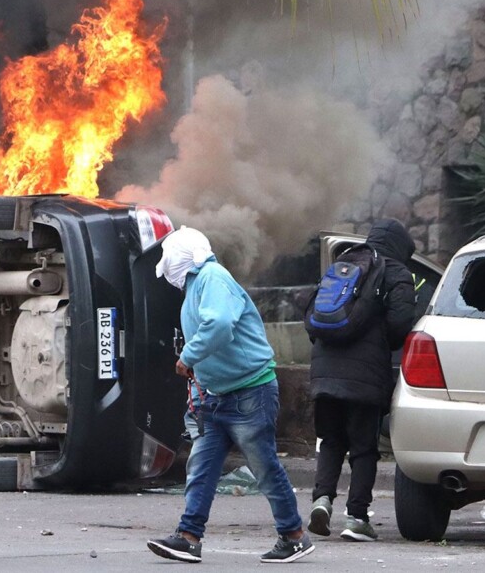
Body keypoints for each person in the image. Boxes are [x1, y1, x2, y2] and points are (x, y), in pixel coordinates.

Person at [146, 226, 315, 564]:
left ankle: (294, 535)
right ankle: (188, 537)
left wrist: (188, 358)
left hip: (249, 392)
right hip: (218, 395)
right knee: (202, 468)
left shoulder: (212, 278)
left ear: (182, 259)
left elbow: (219, 325)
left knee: (263, 466)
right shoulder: (199, 283)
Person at [307, 218, 417, 542]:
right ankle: (356, 517)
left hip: (324, 370)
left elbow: (314, 314)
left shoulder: (344, 262)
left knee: (330, 440)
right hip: (364, 376)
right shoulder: (397, 272)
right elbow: (400, 324)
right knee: (363, 449)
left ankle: (322, 501)